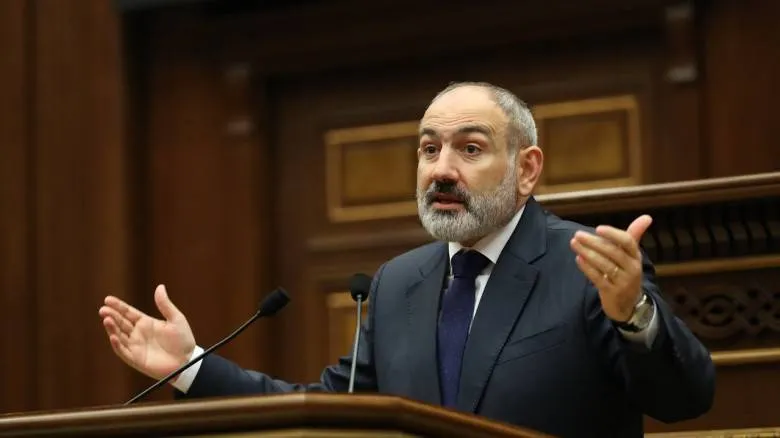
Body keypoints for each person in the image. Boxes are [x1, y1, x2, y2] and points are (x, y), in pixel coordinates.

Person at [99, 82, 715, 437]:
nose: (441, 169)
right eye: (428, 149)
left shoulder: (586, 267)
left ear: (527, 170)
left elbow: (684, 400)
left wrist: (634, 315)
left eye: (469, 149)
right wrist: (191, 367)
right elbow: (330, 413)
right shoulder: (399, 284)